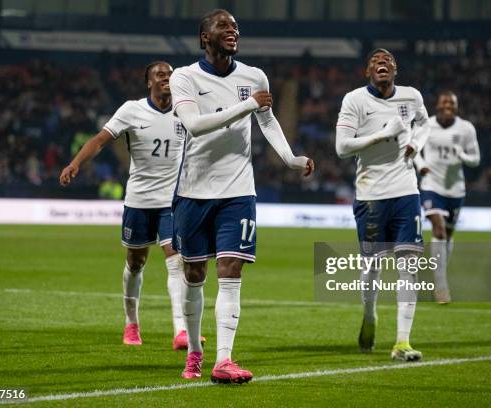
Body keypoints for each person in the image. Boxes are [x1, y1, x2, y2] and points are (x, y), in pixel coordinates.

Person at [170, 9, 314, 383]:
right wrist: (248, 105)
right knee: (194, 273)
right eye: (223, 25)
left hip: (238, 192)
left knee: (230, 270)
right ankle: (195, 354)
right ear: (204, 37)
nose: (232, 30)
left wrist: (291, 159)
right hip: (193, 191)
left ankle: (224, 359)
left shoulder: (254, 76)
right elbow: (195, 126)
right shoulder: (184, 77)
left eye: (235, 26)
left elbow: (267, 121)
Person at [60, 61, 204, 350]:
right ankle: (131, 322)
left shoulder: (186, 111)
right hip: (139, 200)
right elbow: (100, 140)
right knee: (136, 263)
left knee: (176, 260)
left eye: (170, 75)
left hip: (171, 202)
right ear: (148, 83)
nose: (166, 79)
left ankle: (181, 330)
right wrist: (76, 163)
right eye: (160, 75)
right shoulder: (131, 109)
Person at [335, 48, 430, 361]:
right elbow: (342, 147)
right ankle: (369, 312)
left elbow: (424, 122)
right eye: (375, 62)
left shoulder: (411, 97)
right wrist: (381, 135)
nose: (382, 64)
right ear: (367, 72)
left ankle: (402, 341)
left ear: (395, 69)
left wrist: (416, 143)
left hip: (406, 191)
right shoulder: (355, 100)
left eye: (387, 60)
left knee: (409, 266)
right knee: (372, 265)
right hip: (371, 195)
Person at [414, 91, 480, 304]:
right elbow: (414, 149)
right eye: (444, 102)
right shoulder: (426, 125)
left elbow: (475, 159)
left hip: (456, 190)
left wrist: (462, 156)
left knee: (448, 236)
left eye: (451, 102)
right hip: (431, 186)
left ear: (456, 106)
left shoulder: (466, 128)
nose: (447, 105)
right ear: (437, 105)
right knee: (439, 230)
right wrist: (422, 165)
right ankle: (441, 286)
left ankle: (438, 275)